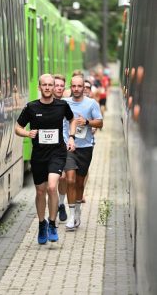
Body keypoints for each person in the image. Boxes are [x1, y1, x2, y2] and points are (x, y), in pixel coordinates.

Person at [15, 74, 76, 244]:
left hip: (57, 153)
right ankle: (41, 224)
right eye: (45, 85)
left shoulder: (62, 106)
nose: (48, 87)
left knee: (51, 187)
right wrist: (27, 133)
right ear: (39, 87)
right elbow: (17, 127)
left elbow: (72, 120)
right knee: (40, 191)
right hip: (39, 155)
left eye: (51, 85)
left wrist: (71, 137)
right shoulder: (31, 107)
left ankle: (52, 224)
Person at [63, 75, 103, 230]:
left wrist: (86, 122)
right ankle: (71, 215)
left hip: (85, 147)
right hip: (69, 146)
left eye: (79, 86)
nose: (77, 89)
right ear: (71, 87)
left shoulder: (91, 104)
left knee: (80, 183)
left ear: (84, 87)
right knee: (70, 180)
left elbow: (100, 122)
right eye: (74, 86)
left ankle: (77, 211)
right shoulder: (64, 104)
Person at [53, 74, 67, 221]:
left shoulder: (67, 104)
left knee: (62, 178)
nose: (58, 88)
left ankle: (61, 204)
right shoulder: (42, 104)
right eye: (56, 85)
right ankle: (53, 205)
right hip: (47, 149)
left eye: (61, 86)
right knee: (50, 183)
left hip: (63, 147)